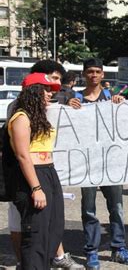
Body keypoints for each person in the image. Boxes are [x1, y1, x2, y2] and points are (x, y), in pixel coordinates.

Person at [7, 60, 82, 269]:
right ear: (34, 91)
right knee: (36, 234)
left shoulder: (41, 115)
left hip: (49, 172)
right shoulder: (21, 117)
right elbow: (23, 156)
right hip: (34, 175)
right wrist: (36, 188)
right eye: (47, 90)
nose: (51, 93)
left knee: (53, 227)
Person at [67, 58, 128, 268]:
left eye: (97, 71)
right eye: (90, 71)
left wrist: (120, 106)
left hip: (111, 162)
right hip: (87, 163)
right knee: (89, 209)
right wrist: (68, 108)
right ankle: (91, 251)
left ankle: (118, 247)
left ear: (103, 74)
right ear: (84, 74)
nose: (94, 75)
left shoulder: (111, 98)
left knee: (116, 207)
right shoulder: (75, 99)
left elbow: (124, 124)